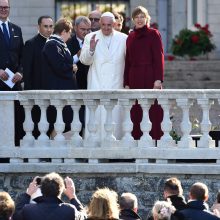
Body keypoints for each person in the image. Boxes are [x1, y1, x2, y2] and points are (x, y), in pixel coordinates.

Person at [80, 11, 127, 141]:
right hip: (97, 82)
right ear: (100, 23)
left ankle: (116, 149)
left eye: (109, 25)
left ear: (115, 24)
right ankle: (94, 145)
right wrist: (91, 50)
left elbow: (129, 61)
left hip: (116, 83)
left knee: (115, 118)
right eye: (104, 24)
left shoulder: (124, 38)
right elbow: (84, 61)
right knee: (97, 117)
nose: (106, 28)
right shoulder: (90, 37)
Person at [124, 6, 164, 141]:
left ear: (147, 18)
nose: (139, 19)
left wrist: (158, 79)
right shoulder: (130, 36)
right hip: (134, 77)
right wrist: (126, 83)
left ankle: (155, 141)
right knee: (136, 112)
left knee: (153, 111)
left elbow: (159, 58)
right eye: (137, 17)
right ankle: (137, 141)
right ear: (133, 19)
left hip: (150, 76)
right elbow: (127, 61)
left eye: (142, 16)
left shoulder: (154, 34)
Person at [41, 18, 78, 135]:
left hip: (63, 88)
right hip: (58, 88)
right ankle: (53, 146)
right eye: (69, 32)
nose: (70, 36)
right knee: (59, 120)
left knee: (64, 121)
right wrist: (71, 67)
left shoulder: (59, 44)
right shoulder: (52, 44)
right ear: (63, 32)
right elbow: (58, 66)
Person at [23, 15, 53, 139]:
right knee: (37, 126)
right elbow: (27, 71)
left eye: (51, 26)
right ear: (39, 27)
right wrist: (29, 94)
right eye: (45, 26)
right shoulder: (31, 44)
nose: (48, 29)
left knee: (53, 125)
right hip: (37, 92)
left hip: (53, 92)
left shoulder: (56, 42)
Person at [0, 0, 24, 145]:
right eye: (0, 7)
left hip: (13, 83)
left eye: (6, 7)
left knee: (16, 118)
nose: (3, 9)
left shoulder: (16, 29)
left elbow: (22, 55)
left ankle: (13, 150)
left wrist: (20, 73)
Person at [13, 172, 86, 220]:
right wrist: (72, 196)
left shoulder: (28, 210)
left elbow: (16, 216)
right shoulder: (70, 210)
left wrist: (28, 194)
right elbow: (84, 216)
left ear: (42, 189)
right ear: (60, 191)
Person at [67, 16, 91, 136]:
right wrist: (78, 55)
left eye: (88, 29)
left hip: (91, 85)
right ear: (75, 28)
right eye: (83, 29)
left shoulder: (93, 40)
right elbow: (65, 64)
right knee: (78, 120)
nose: (86, 32)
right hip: (76, 86)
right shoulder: (68, 43)